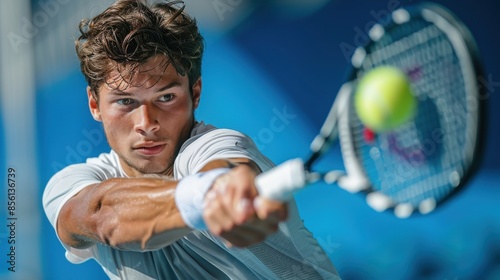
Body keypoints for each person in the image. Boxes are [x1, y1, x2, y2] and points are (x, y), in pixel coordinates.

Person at [42, 0, 340, 279]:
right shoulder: (71, 185)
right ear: (94, 105)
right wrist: (202, 197)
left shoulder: (217, 146)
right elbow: (101, 216)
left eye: (166, 97)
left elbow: (228, 166)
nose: (146, 124)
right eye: (125, 102)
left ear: (195, 93)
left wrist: (224, 185)